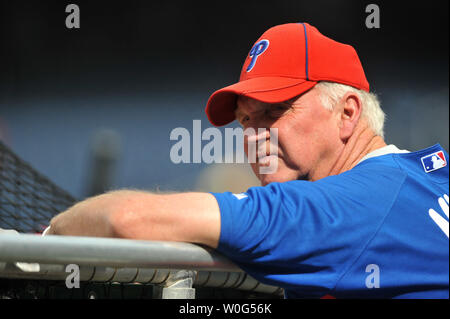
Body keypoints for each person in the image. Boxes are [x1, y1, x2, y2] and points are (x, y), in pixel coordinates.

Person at [46, 23, 449, 298]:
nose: (256, 137)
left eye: (276, 112)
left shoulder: (338, 208)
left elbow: (127, 219)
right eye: (245, 121)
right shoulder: (428, 176)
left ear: (347, 114)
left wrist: (48, 239)